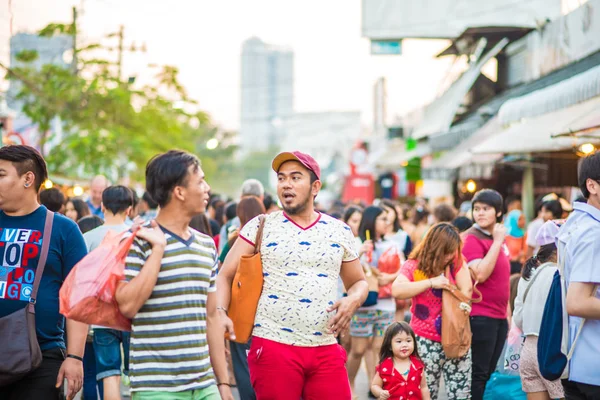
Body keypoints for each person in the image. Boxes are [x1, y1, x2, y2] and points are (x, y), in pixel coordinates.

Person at [217, 151, 368, 400]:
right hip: (273, 346)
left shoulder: (339, 230)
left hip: (326, 347)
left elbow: (359, 282)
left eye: (296, 177)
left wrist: (353, 300)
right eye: (281, 178)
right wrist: (221, 313)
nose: (286, 184)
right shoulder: (260, 225)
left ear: (315, 186)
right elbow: (224, 275)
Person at [115, 150, 232, 400]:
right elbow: (127, 305)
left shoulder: (206, 244)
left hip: (203, 384)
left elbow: (211, 316)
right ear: (179, 192)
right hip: (156, 386)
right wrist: (158, 250)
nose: (207, 188)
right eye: (200, 181)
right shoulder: (139, 240)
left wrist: (222, 384)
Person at [0, 145, 88, 400]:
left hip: (42, 358)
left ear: (28, 178)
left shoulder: (64, 229)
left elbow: (79, 298)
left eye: (1, 174)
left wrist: (74, 357)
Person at [392, 223, 473, 399]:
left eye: (454, 250)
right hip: (425, 340)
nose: (451, 255)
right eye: (447, 251)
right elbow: (397, 290)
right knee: (425, 393)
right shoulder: (414, 265)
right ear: (435, 248)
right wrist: (431, 283)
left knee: (461, 394)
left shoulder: (456, 262)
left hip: (456, 336)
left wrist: (451, 288)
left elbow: (467, 291)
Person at [83, 186, 134, 400]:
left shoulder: (88, 238)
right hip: (133, 314)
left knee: (108, 374)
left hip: (101, 317)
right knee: (137, 375)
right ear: (129, 209)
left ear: (102, 206)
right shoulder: (138, 234)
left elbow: (83, 282)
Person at [556, 151, 600, 398]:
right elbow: (578, 302)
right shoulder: (593, 232)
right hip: (593, 360)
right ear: (591, 185)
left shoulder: (576, 222)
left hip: (575, 358)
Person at [348, 205, 403, 398]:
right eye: (382, 219)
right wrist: (360, 252)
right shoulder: (356, 243)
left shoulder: (392, 243)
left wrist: (389, 277)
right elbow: (345, 268)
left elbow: (404, 268)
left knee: (379, 348)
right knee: (358, 350)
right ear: (371, 221)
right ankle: (349, 383)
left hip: (386, 304)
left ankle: (375, 385)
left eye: (388, 220)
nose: (387, 223)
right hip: (363, 304)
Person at [462, 189, 511, 400]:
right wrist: (498, 241)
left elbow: (502, 282)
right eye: (476, 209)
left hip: (499, 316)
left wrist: (508, 317)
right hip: (481, 315)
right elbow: (480, 273)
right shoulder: (471, 238)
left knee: (490, 373)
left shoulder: (494, 238)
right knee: (479, 374)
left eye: (486, 209)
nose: (480, 213)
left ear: (498, 212)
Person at [220, 196, 266, 400]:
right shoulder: (273, 235)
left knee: (242, 361)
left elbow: (222, 273)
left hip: (241, 310)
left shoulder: (234, 241)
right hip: (266, 312)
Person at [513, 221, 565, 400]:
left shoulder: (527, 276)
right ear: (558, 250)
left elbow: (518, 319)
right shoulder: (559, 275)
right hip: (552, 350)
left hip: (528, 351)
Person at [77, 215, 105, 400]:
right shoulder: (105, 264)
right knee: (105, 375)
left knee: (88, 374)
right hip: (104, 326)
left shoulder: (81, 264)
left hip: (85, 325)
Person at [371, 321, 430, 400]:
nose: (404, 345)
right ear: (390, 346)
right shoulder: (385, 366)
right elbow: (375, 385)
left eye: (408, 341)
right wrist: (380, 392)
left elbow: (424, 387)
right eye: (399, 341)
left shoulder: (417, 365)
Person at [218, 179, 264, 252]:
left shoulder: (228, 227)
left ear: (241, 198)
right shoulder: (270, 225)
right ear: (262, 198)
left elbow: (221, 260)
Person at [504, 210, 527, 274]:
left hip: (522, 269)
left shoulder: (524, 235)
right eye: (520, 219)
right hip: (511, 270)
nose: (523, 221)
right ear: (513, 220)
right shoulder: (506, 237)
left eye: (524, 219)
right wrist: (516, 258)